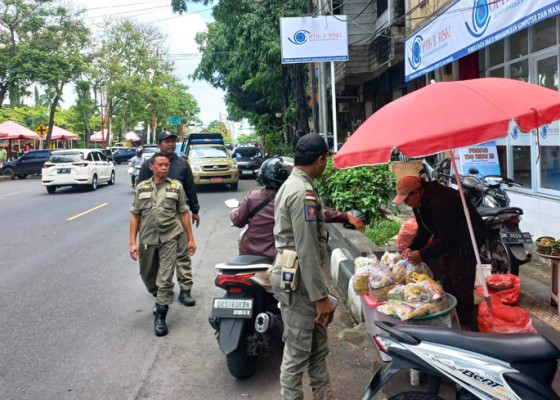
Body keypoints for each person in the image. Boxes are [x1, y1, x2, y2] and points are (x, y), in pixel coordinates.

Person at [271, 133, 336, 400]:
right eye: (327, 160)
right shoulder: (302, 192)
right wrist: (320, 298)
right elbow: (306, 249)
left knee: (317, 346)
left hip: (301, 278)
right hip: (299, 283)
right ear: (321, 159)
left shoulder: (295, 184)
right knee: (297, 353)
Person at [394, 175, 487, 330]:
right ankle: (451, 318)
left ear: (416, 192)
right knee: (447, 280)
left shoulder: (441, 202)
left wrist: (421, 254)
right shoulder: (419, 204)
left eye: (406, 199)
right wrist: (412, 247)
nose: (406, 203)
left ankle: (465, 326)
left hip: (466, 241)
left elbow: (447, 239)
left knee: (461, 283)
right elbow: (424, 230)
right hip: (449, 240)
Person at [231, 156, 365, 261]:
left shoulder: (253, 197)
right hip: (281, 258)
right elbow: (318, 213)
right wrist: (346, 216)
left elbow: (238, 221)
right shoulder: (293, 196)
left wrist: (234, 212)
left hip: (249, 254)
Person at [129, 152, 196, 337]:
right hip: (148, 238)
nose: (164, 168)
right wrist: (132, 242)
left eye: (166, 165)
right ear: (152, 166)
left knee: (165, 278)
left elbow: (183, 213)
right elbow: (135, 214)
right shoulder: (141, 187)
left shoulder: (176, 186)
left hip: (170, 237)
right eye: (160, 165)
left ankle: (160, 315)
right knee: (147, 276)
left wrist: (190, 238)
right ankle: (157, 294)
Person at [137, 131, 200, 306]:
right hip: (156, 218)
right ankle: (160, 287)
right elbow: (141, 190)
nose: (170, 144)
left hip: (178, 215)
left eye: (173, 141)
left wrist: (195, 210)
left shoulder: (182, 164)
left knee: (183, 254)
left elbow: (190, 188)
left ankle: (185, 289)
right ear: (159, 144)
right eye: (166, 142)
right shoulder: (148, 164)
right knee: (154, 257)